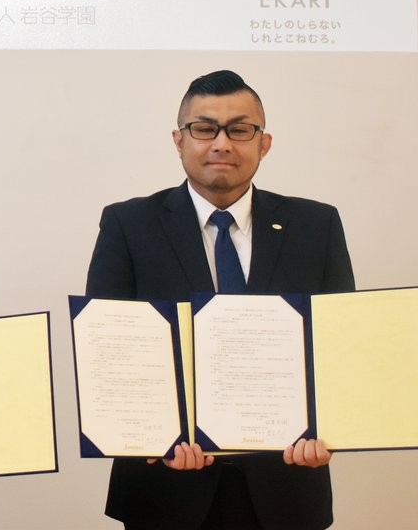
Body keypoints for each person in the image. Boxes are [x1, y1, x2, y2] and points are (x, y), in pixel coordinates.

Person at [85, 70, 355, 530]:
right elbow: (108, 355)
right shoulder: (128, 225)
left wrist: (333, 430)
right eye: (205, 128)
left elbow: (343, 347)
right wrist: (152, 438)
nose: (222, 143)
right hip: (164, 492)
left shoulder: (316, 225)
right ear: (179, 140)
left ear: (263, 143)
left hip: (287, 486)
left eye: (239, 129)